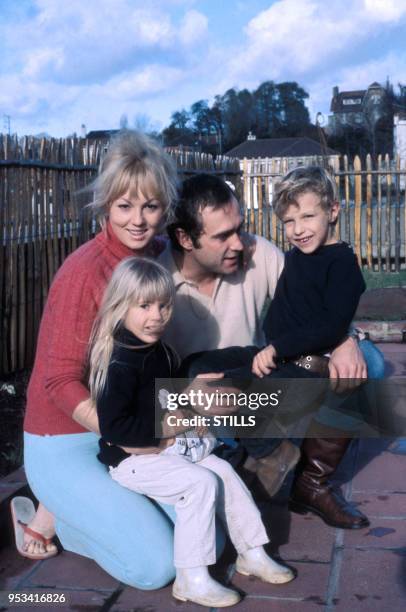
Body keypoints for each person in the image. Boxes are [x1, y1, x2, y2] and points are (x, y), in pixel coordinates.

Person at [160, 172, 381, 528]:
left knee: (363, 365)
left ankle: (310, 482)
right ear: (186, 238)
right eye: (222, 236)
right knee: (196, 366)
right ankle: (267, 451)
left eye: (240, 229)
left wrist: (345, 340)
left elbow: (329, 316)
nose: (239, 243)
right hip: (205, 397)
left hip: (284, 361)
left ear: (333, 211)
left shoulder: (299, 257)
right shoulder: (156, 279)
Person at [15, 131, 182, 588]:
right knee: (156, 567)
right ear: (106, 205)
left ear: (164, 208)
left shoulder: (157, 259)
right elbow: (58, 381)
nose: (137, 220)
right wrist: (133, 436)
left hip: (119, 433)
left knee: (203, 535)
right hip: (66, 439)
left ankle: (69, 507)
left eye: (150, 206)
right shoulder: (84, 271)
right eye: (124, 206)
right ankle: (65, 514)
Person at [90, 256, 294, 608]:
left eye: (164, 306)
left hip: (165, 450)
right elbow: (115, 426)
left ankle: (252, 552)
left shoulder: (161, 353)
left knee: (223, 471)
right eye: (144, 306)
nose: (156, 316)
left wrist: (187, 408)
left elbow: (165, 399)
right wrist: (168, 428)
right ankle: (191, 577)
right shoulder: (119, 363)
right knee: (198, 484)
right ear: (121, 306)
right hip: (130, 459)